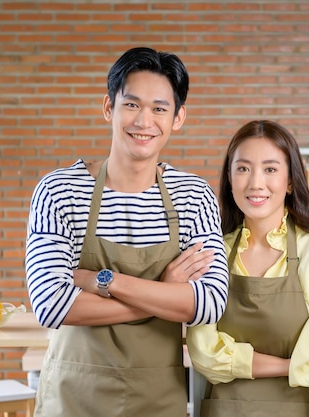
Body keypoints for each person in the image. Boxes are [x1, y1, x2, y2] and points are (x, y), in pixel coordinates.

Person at [25, 47, 229, 417]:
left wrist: (102, 281)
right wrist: (165, 294)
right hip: (73, 401)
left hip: (158, 401)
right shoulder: (59, 190)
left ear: (178, 118)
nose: (144, 121)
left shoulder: (193, 195)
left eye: (159, 109)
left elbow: (210, 303)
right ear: (109, 108)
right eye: (132, 105)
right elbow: (51, 305)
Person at [186, 120, 309, 417]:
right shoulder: (211, 253)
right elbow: (205, 354)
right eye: (243, 168)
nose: (255, 183)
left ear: (290, 181)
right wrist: (298, 366)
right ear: (229, 178)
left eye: (270, 169)